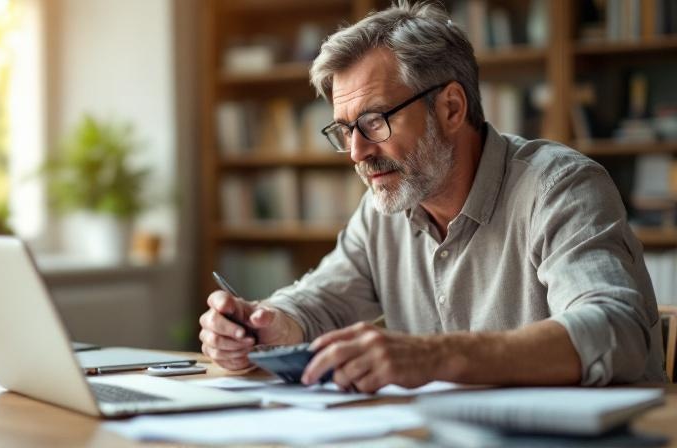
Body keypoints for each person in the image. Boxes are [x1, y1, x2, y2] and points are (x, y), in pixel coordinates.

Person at [199, 1, 666, 392]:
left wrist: (432, 355)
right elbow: (321, 301)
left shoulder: (559, 186)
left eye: (375, 121)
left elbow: (614, 328)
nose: (357, 152)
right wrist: (260, 326)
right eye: (345, 131)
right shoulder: (385, 209)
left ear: (451, 108)